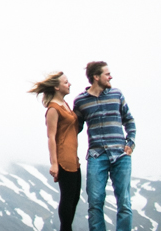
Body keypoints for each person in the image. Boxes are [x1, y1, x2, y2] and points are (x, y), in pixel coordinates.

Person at [73, 61, 136, 231]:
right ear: (96, 77)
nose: (111, 77)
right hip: (96, 156)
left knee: (124, 202)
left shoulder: (117, 94)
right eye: (107, 74)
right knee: (94, 202)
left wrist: (130, 142)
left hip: (121, 155)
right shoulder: (80, 101)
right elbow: (74, 128)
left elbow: (129, 120)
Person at [28, 72, 81, 231]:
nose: (69, 84)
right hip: (64, 158)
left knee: (75, 198)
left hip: (74, 159)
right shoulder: (53, 108)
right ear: (57, 87)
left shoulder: (65, 105)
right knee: (67, 198)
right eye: (66, 82)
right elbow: (51, 137)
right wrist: (54, 164)